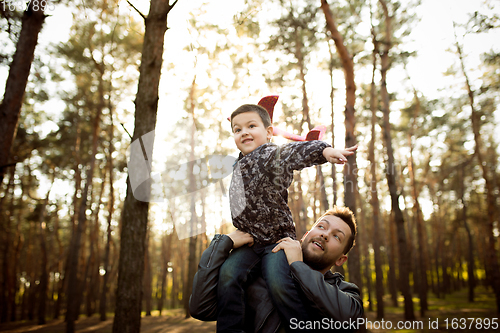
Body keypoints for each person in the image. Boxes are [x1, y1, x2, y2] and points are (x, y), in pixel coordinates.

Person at [220, 103, 357, 332]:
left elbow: (298, 152)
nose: (243, 132)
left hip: (276, 242)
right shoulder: (238, 164)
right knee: (228, 275)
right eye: (237, 129)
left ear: (269, 132)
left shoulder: (274, 154)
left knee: (280, 285)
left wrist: (324, 151)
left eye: (251, 126)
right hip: (250, 241)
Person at [189, 207, 364, 332]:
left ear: (341, 259)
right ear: (305, 236)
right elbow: (202, 308)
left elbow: (351, 320)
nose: (325, 234)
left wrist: (298, 266)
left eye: (336, 236)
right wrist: (222, 244)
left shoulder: (345, 292)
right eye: (321, 226)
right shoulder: (258, 275)